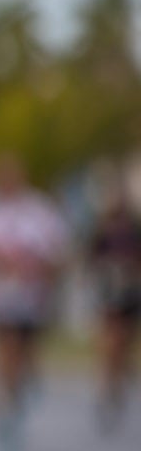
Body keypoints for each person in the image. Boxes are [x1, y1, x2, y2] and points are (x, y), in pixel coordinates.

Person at [0, 154, 70, 451]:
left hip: (31, 298)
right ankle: (5, 410)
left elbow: (57, 252)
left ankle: (19, 391)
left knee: (25, 352)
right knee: (4, 350)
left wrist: (38, 270)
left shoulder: (39, 210)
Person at [85, 165, 140, 436]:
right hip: (109, 291)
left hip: (129, 291)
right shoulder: (102, 231)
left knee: (124, 343)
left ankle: (117, 384)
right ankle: (107, 386)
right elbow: (91, 261)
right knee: (110, 340)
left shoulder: (134, 229)